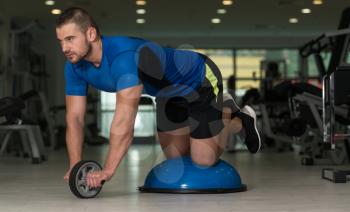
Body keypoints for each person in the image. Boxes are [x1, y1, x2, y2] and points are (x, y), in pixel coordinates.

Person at [56, 7, 261, 189]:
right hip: (167, 94)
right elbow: (75, 119)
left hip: (198, 80)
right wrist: (76, 165)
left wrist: (108, 170)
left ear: (90, 33)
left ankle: (233, 115)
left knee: (203, 159)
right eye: (61, 41)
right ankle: (210, 124)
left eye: (70, 39)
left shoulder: (123, 57)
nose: (64, 48)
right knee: (175, 158)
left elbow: (124, 121)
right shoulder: (74, 67)